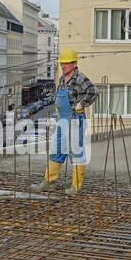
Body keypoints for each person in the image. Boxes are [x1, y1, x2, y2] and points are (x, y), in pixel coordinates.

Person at [37, 48, 97, 195]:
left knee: (76, 152)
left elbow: (93, 91)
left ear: (74, 64)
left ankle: (76, 186)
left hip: (75, 120)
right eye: (62, 63)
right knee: (56, 150)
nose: (63, 66)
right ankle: (49, 181)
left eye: (67, 63)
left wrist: (82, 104)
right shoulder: (62, 79)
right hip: (62, 120)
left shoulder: (80, 78)